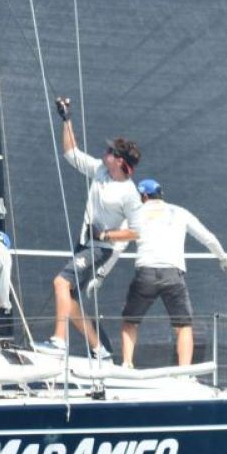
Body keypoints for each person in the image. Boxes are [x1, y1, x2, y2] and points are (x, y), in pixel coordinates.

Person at [41, 95, 140, 358]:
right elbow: (71, 153)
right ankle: (100, 350)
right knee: (70, 299)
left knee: (60, 282)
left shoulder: (129, 193)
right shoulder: (100, 170)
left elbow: (136, 231)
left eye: (110, 152)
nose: (105, 153)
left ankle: (59, 342)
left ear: (120, 161)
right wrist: (66, 119)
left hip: (100, 248)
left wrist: (106, 234)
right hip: (85, 243)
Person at [100, 179, 227, 369]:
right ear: (160, 194)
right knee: (183, 326)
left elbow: (117, 248)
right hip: (173, 275)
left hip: (145, 275)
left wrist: (101, 274)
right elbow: (208, 238)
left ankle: (127, 364)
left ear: (143, 196)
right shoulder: (180, 212)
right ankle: (184, 372)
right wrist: (223, 259)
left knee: (130, 321)